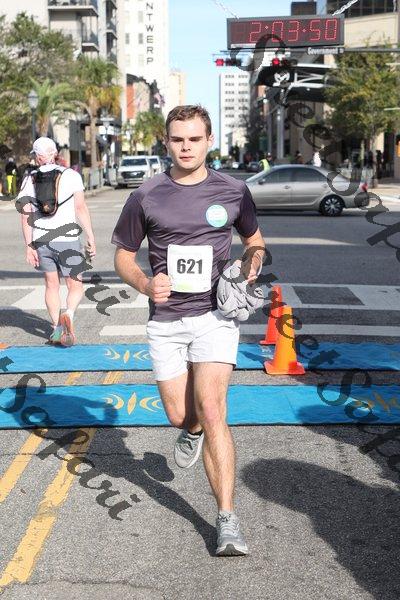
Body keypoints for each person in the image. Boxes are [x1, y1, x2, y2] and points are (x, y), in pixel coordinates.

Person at [112, 105, 265, 556]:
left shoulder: (233, 190)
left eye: (194, 139)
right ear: (167, 142)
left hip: (216, 316)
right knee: (182, 414)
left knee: (213, 408)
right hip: (166, 320)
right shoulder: (146, 195)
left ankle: (227, 519)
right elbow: (122, 255)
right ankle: (190, 428)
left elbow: (255, 241)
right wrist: (145, 283)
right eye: (178, 139)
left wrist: (251, 263)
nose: (186, 147)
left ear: (209, 140)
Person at [17, 136, 96, 345]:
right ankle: (68, 314)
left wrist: (29, 246)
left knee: (51, 285)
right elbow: (80, 208)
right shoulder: (71, 175)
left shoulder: (29, 179)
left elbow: (25, 215)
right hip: (68, 239)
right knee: (75, 285)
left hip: (42, 239)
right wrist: (90, 235)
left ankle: (56, 328)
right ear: (55, 154)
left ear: (37, 157)